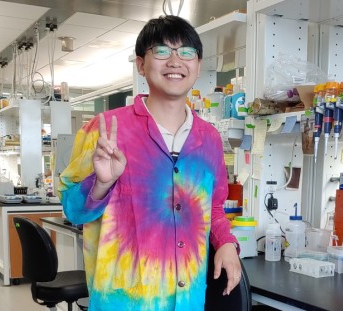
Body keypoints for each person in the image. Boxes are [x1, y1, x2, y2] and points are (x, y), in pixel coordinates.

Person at [58, 14, 241, 311]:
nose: (174, 61)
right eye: (161, 51)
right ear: (141, 64)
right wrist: (101, 184)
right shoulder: (104, 130)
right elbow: (74, 212)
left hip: (189, 298)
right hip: (125, 300)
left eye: (186, 52)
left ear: (197, 64)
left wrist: (227, 243)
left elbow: (215, 207)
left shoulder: (209, 139)